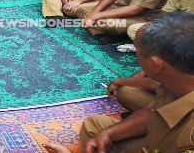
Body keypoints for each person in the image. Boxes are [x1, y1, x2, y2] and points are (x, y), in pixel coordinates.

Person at [42, 12, 194, 153]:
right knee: (94, 127)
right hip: (158, 135)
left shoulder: (189, 139)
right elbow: (155, 112)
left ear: (155, 64)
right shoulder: (177, 83)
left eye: (138, 51)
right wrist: (110, 133)